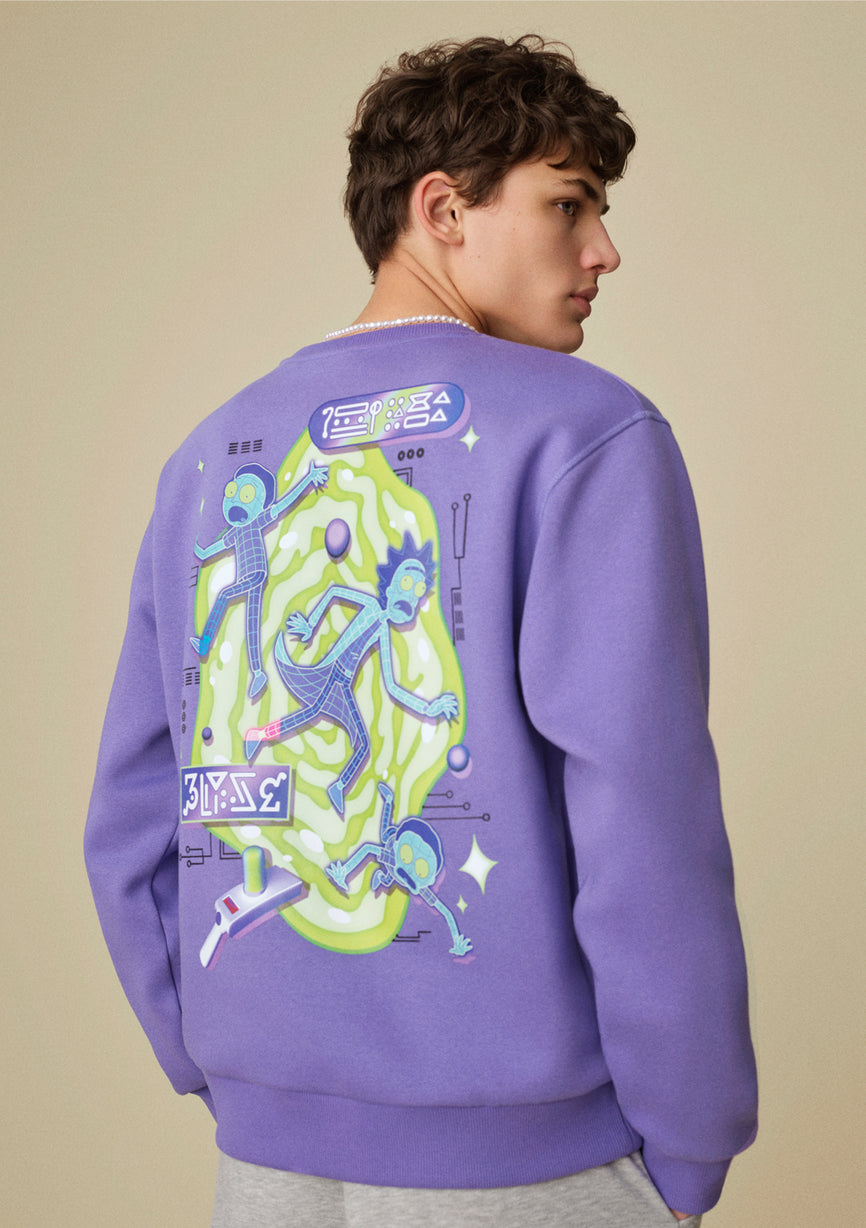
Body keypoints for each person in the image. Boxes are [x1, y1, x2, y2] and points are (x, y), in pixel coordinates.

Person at [85, 34, 757, 1227]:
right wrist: (693, 1139)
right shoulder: (586, 434)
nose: (602, 251)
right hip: (530, 1163)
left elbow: (135, 812)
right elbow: (640, 810)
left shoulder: (209, 456)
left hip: (265, 1156)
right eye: (567, 204)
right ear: (442, 210)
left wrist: (213, 1057)